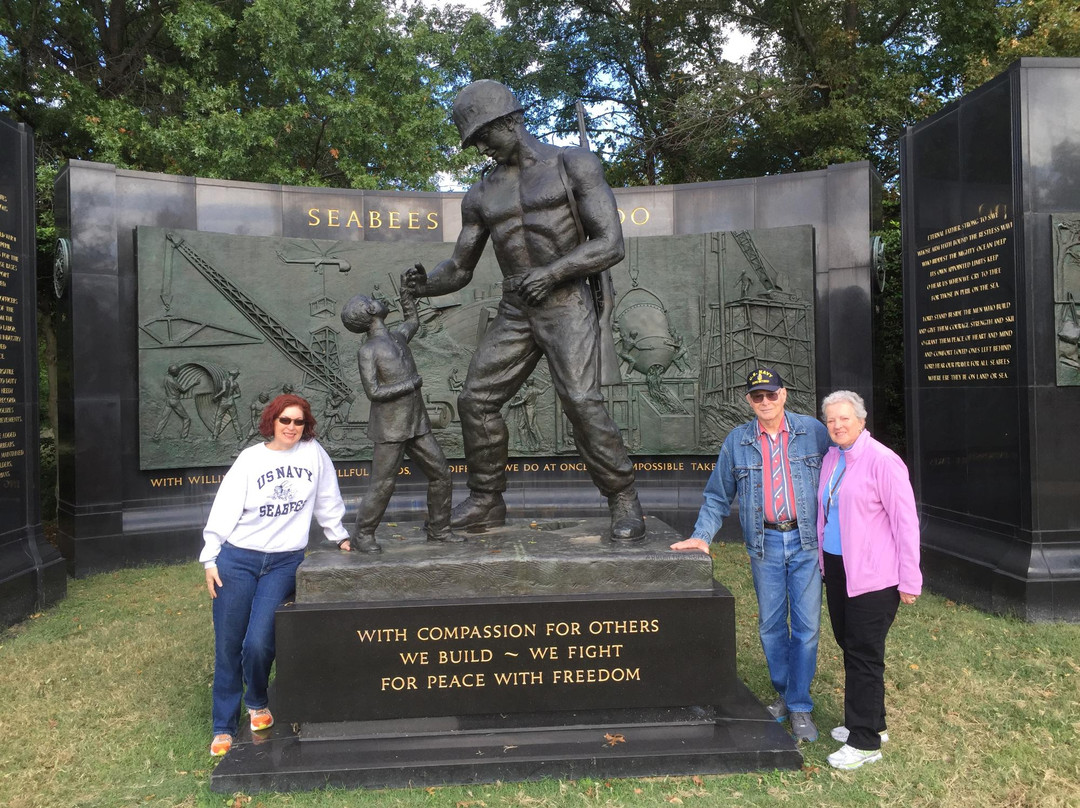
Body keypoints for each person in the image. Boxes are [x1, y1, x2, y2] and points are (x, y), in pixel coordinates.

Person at [402, 79, 645, 543]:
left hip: (566, 300)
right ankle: (487, 500)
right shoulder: (480, 194)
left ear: (510, 121)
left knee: (580, 400)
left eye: (484, 136)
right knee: (475, 400)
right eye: (474, 141)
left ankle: (622, 497)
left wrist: (553, 273)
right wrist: (426, 284)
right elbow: (460, 267)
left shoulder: (573, 164)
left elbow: (610, 244)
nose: (481, 148)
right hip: (516, 307)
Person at [671, 367, 831, 743]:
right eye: (757, 396)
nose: (765, 401)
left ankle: (800, 705)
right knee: (771, 626)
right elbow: (717, 496)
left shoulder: (813, 432)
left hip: (806, 542)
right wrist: (701, 536)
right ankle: (785, 693)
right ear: (749, 401)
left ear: (784, 395)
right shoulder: (737, 442)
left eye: (771, 394)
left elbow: (841, 473)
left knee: (806, 628)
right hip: (765, 544)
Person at [200, 394, 351, 757]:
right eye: (285, 420)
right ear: (272, 421)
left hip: (283, 562)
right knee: (229, 643)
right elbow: (225, 508)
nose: (291, 427)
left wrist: (339, 535)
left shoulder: (313, 453)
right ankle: (223, 724)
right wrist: (210, 557)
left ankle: (257, 701)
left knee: (259, 641)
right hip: (238, 559)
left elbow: (327, 498)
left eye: (299, 421)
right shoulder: (251, 459)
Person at [817, 390, 921, 770]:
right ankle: (874, 722)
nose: (837, 425)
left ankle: (864, 742)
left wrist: (910, 579)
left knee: (863, 653)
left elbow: (906, 523)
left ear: (861, 420)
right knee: (851, 644)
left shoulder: (883, 461)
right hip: (838, 568)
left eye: (844, 418)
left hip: (874, 576)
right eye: (831, 420)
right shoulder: (832, 458)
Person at [340, 279, 459, 551]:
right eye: (370, 299)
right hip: (390, 428)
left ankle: (440, 530)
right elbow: (373, 391)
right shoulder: (368, 351)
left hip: (417, 422)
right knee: (383, 484)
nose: (377, 299)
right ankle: (363, 535)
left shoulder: (397, 336)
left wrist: (406, 296)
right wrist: (410, 384)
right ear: (370, 311)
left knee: (441, 474)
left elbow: (413, 321)